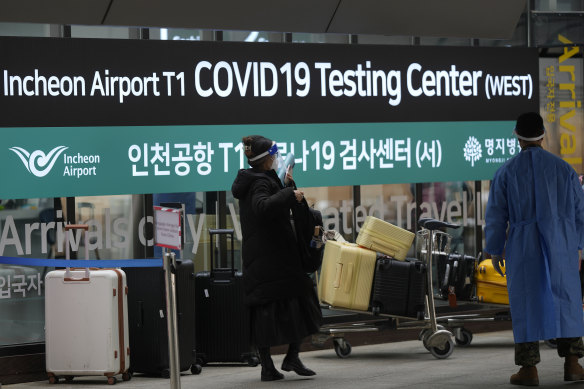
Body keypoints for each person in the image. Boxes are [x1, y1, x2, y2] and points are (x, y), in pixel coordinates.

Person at [485, 112, 584, 386]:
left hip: (523, 246)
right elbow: (580, 213)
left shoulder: (505, 172)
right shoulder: (564, 170)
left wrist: (494, 250)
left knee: (526, 301)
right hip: (562, 243)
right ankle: (573, 365)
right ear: (543, 136)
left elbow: (496, 216)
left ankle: (529, 370)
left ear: (517, 137)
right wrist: (579, 246)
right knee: (566, 299)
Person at [231, 135, 322, 382]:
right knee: (274, 309)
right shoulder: (259, 183)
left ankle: (284, 360)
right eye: (274, 155)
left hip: (273, 258)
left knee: (296, 301)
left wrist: (288, 187)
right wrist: (289, 195)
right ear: (266, 159)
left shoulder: (260, 179)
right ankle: (272, 364)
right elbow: (263, 207)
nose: (276, 158)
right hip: (268, 259)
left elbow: (275, 203)